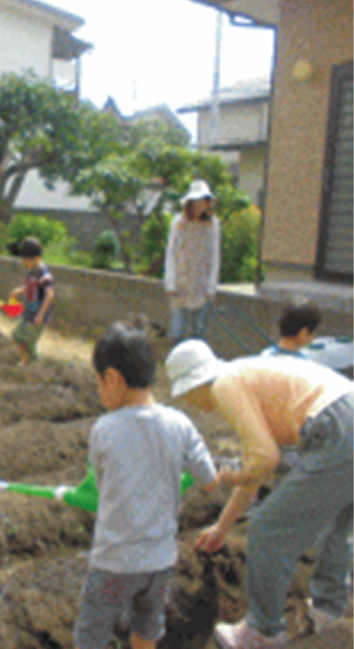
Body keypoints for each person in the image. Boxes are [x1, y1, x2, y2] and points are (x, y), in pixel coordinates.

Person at [165, 340, 353, 649]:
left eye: (185, 395)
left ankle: (263, 631)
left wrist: (232, 475)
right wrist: (222, 527)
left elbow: (264, 459)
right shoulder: (245, 375)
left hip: (338, 428)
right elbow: (258, 470)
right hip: (347, 416)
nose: (189, 403)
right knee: (338, 524)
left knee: (267, 530)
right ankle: (327, 609)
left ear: (195, 384)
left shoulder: (224, 386)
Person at [75, 320, 218, 649]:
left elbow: (99, 483)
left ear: (112, 378)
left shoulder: (104, 429)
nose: (99, 391)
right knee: (146, 629)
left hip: (114, 562)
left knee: (92, 634)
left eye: (99, 382)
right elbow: (209, 479)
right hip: (159, 561)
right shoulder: (180, 424)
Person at [164, 180, 222, 343]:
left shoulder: (212, 224)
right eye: (197, 201)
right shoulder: (179, 222)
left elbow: (215, 254)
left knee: (198, 331)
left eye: (204, 201)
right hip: (181, 281)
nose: (201, 205)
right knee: (177, 329)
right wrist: (170, 281)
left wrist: (212, 285)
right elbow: (171, 252)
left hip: (201, 283)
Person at [8, 237, 54, 366]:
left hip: (39, 314)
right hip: (29, 311)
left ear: (32, 259)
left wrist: (40, 314)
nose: (24, 263)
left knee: (29, 340)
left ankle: (33, 363)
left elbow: (49, 295)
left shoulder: (45, 275)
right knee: (17, 335)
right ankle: (27, 359)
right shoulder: (33, 272)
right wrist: (19, 290)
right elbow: (31, 286)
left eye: (24, 260)